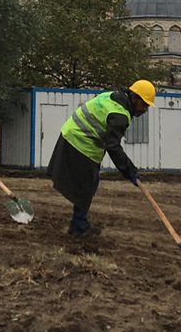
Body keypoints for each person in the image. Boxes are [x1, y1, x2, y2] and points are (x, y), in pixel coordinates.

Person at [49, 80, 155, 236]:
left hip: (72, 134)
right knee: (86, 186)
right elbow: (113, 146)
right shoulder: (119, 115)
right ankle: (79, 227)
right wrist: (129, 171)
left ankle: (78, 223)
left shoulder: (112, 96)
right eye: (144, 104)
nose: (145, 109)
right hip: (80, 142)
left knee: (90, 183)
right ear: (134, 98)